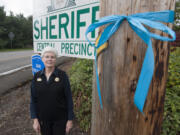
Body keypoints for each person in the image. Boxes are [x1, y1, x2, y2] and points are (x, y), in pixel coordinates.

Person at [30, 46, 74, 135]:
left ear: (55, 59)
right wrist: (35, 119)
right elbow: (33, 100)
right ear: (42, 59)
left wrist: (70, 120)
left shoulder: (63, 76)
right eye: (47, 57)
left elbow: (69, 98)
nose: (49, 59)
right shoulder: (36, 77)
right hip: (43, 120)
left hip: (60, 120)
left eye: (52, 57)